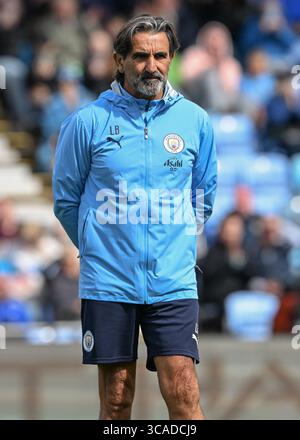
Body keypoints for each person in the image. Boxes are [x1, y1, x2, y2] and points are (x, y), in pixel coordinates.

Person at [53, 14, 217, 420]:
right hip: (109, 282)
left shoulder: (195, 121)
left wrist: (173, 245)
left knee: (183, 392)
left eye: (161, 56)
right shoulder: (87, 122)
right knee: (116, 401)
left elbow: (203, 196)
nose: (152, 66)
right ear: (119, 60)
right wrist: (100, 248)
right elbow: (66, 200)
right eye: (141, 56)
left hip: (173, 281)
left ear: (171, 58)